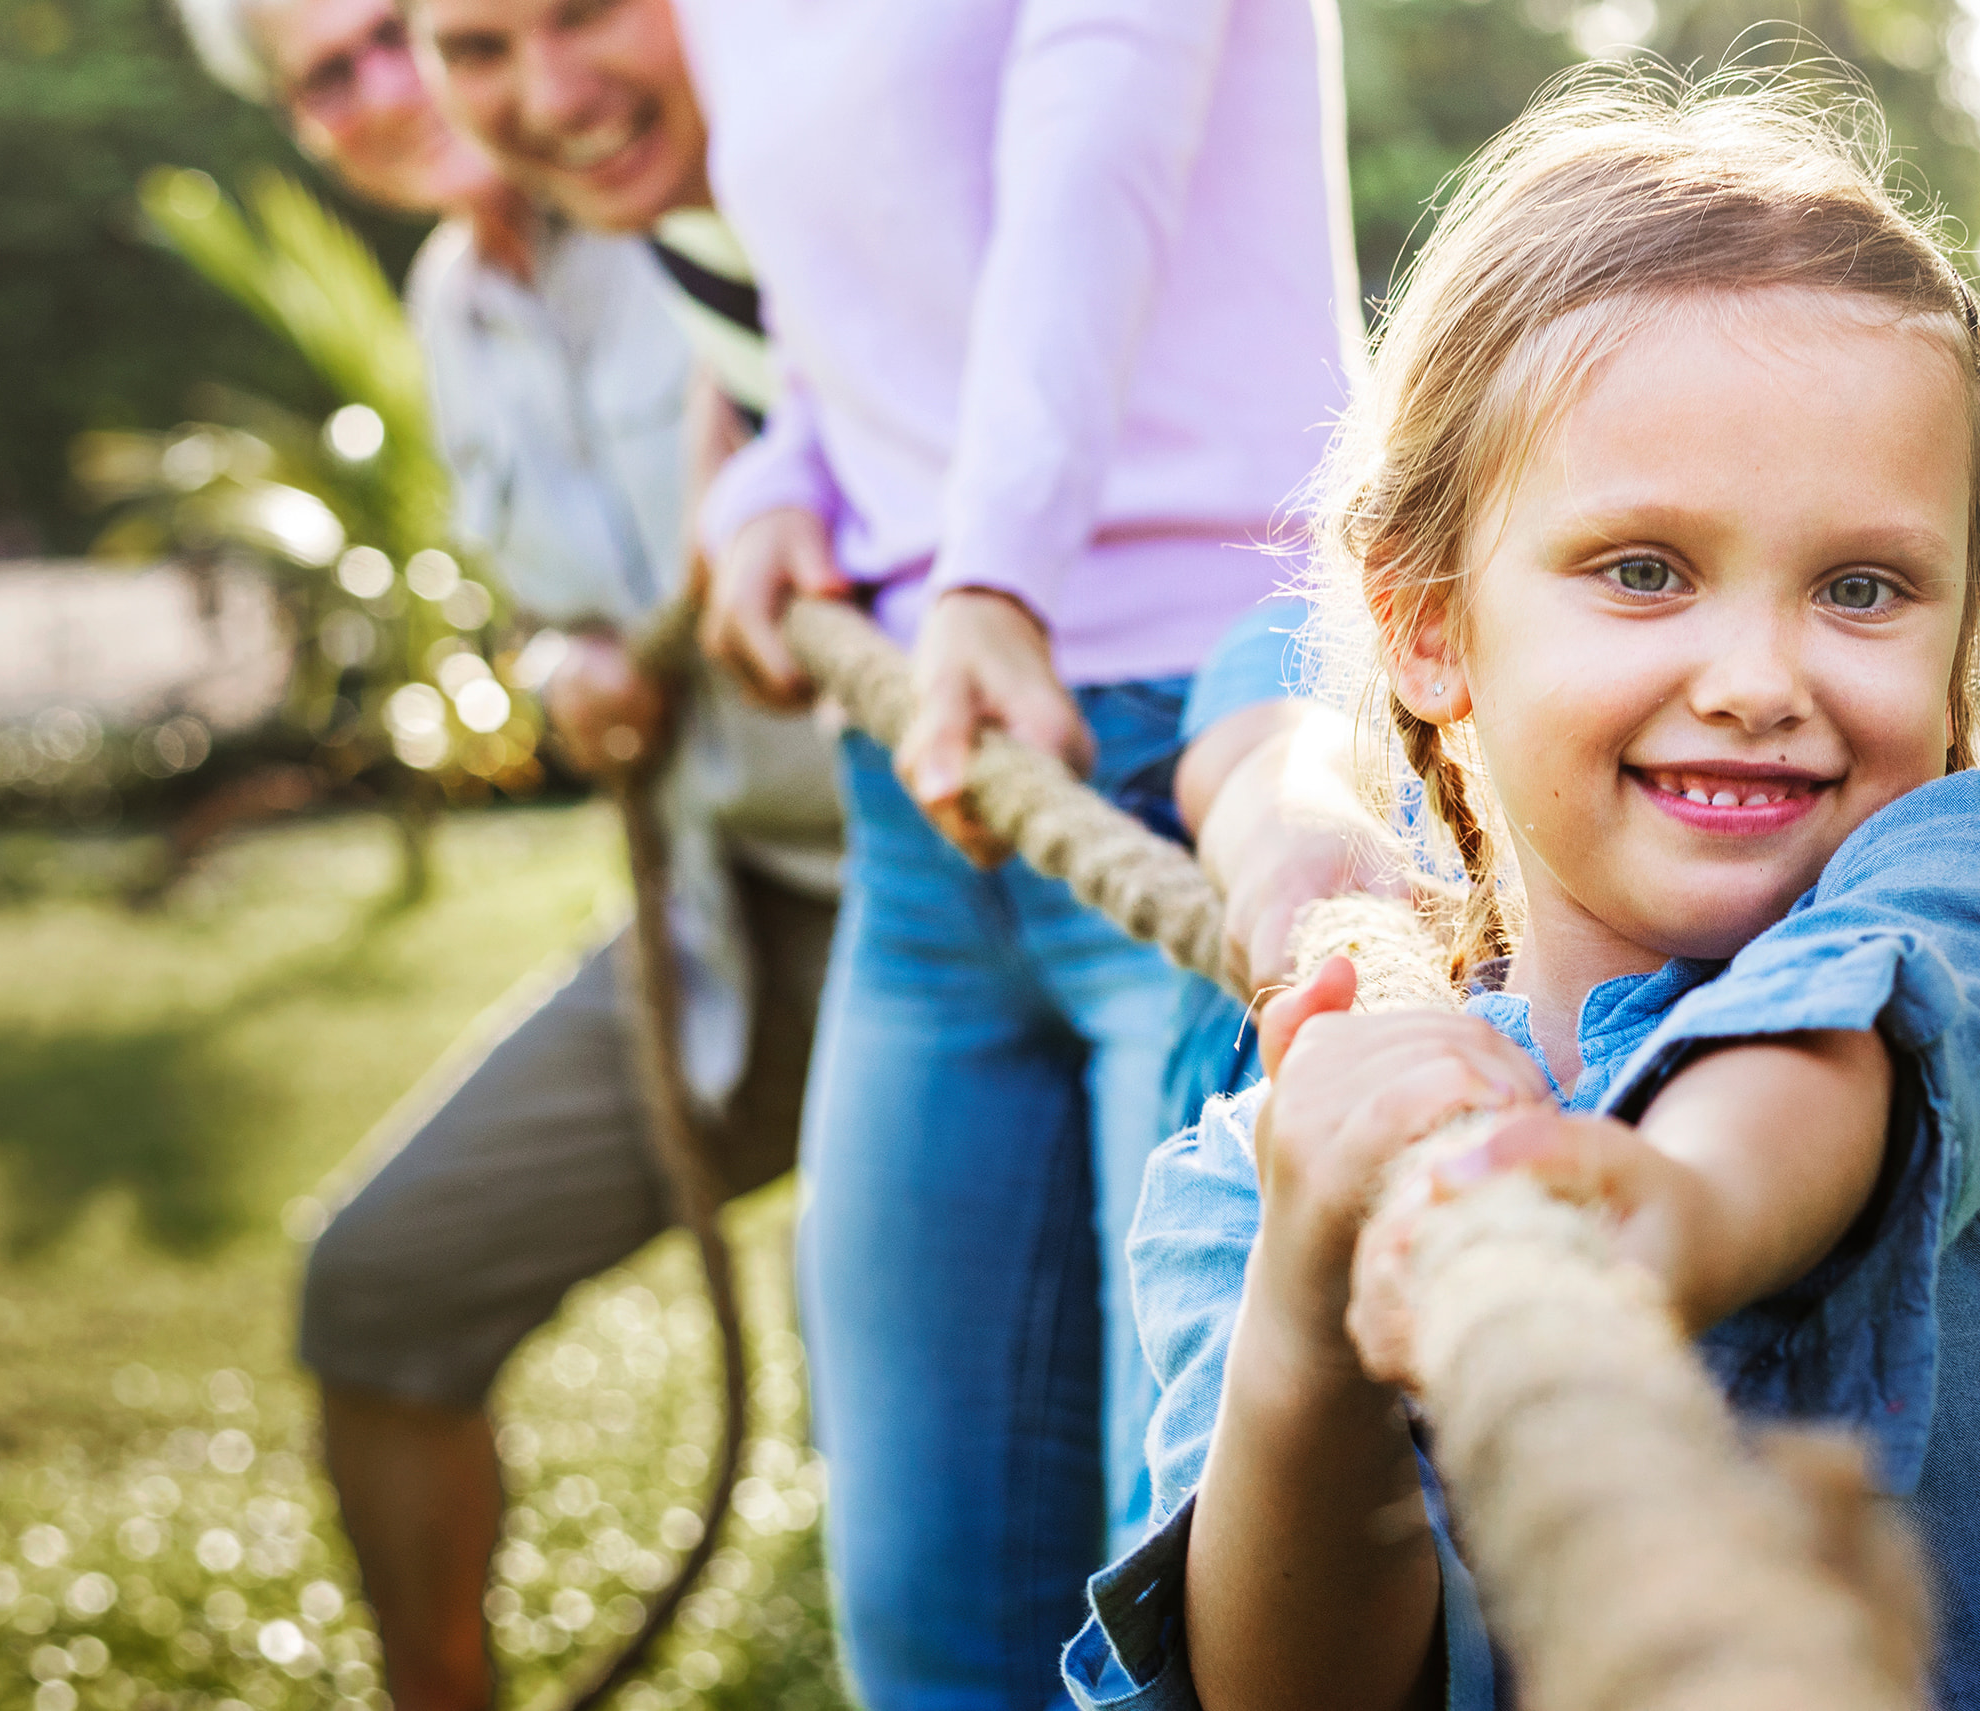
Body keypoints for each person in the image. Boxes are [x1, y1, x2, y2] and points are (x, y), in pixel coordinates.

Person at [1064, 75, 1980, 1711]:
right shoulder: (1256, 1176)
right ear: (1432, 626)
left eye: (1861, 588)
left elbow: (1834, 1058)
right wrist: (1312, 1301)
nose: (1755, 676)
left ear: (1960, 636)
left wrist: (1682, 1215)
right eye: (1644, 570)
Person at [409, 0, 1368, 1702]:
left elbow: (1101, 162)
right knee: (923, 1615)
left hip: (1198, 746)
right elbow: (873, 313)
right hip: (921, 813)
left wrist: (990, 578)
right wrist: (777, 478)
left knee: (1203, 1612)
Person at [174, 6, 841, 1709]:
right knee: (381, 1285)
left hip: (956, 881)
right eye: (330, 75)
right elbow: (547, 611)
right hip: (723, 917)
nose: (395, 91)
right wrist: (567, 676)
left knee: (926, 1413)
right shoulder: (454, 309)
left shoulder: (703, 185)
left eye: (408, 32)